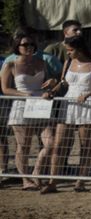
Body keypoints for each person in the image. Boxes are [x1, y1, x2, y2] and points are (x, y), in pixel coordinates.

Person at [3, 34, 62, 190]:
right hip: (21, 105)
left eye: (31, 44)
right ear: (17, 47)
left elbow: (50, 84)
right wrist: (25, 95)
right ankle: (25, 180)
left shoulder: (42, 63)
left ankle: (36, 170)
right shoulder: (11, 65)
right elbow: (5, 89)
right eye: (25, 44)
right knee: (24, 146)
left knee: (50, 142)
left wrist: (52, 84)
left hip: (40, 105)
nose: (29, 47)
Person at [54, 34, 91, 190]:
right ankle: (53, 180)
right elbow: (63, 83)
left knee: (85, 145)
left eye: (70, 50)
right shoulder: (68, 62)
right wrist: (53, 90)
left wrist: (89, 94)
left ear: (79, 49)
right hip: (68, 104)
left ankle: (81, 181)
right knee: (58, 144)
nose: (68, 53)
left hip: (87, 105)